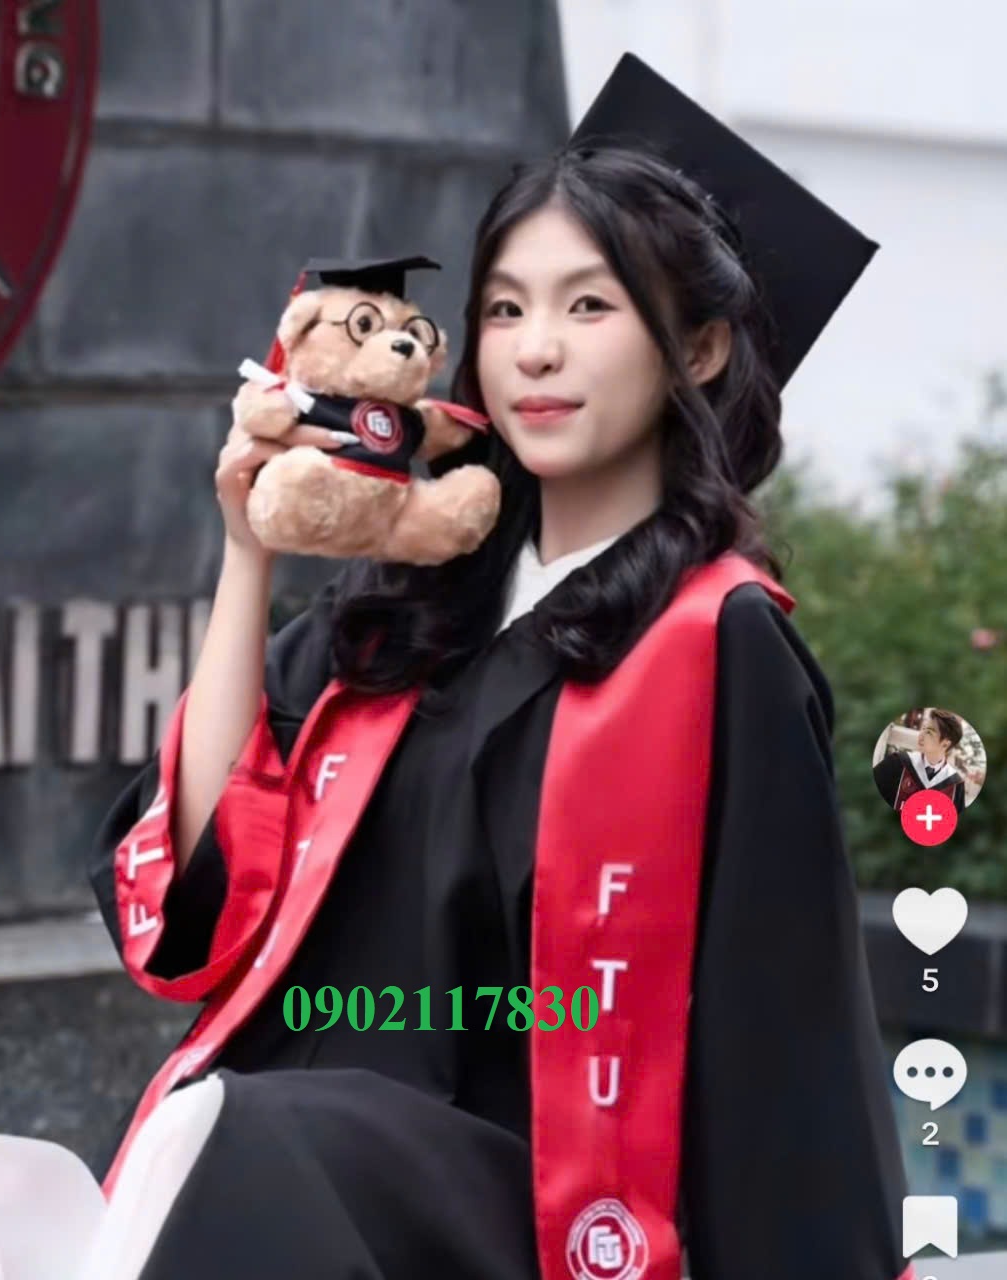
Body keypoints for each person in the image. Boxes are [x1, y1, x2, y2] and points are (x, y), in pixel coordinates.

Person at [86, 55, 916, 1280]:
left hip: (522, 1213)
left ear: (695, 348)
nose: (536, 351)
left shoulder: (713, 641)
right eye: (507, 309)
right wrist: (246, 553)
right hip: (270, 1169)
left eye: (590, 307)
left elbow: (782, 1032)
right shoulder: (413, 604)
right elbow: (208, 884)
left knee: (257, 1136)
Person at [873, 708, 967, 814]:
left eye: (929, 732)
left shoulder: (955, 786)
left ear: (945, 744)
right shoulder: (897, 762)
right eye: (923, 728)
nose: (921, 735)